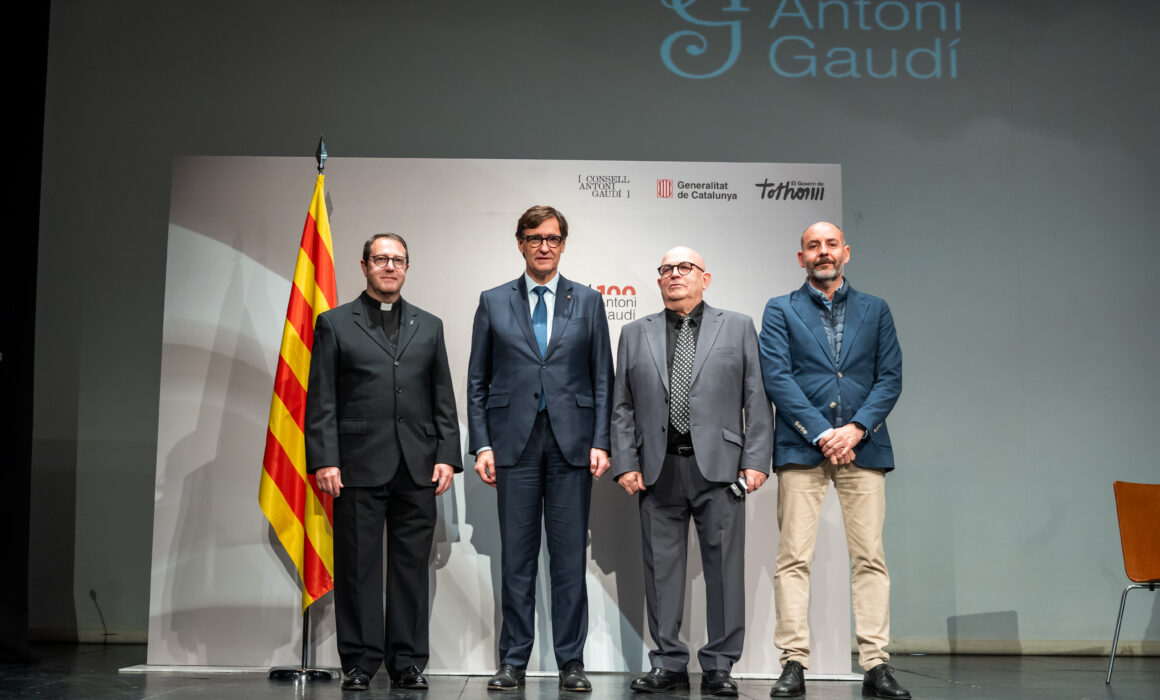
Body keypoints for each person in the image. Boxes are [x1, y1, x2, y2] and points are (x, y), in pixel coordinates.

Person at [610, 247, 773, 696]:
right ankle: (667, 663)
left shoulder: (737, 326)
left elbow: (756, 398)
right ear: (658, 280)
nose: (674, 274)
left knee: (725, 569)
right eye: (666, 269)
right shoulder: (633, 332)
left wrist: (756, 461)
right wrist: (625, 461)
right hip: (657, 469)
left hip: (720, 471)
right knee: (661, 572)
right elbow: (621, 405)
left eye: (685, 268)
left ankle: (720, 665)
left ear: (706, 278)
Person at [467, 205, 614, 692]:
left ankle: (571, 661)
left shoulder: (589, 301)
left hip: (573, 444)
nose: (544, 245)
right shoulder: (493, 301)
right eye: (534, 237)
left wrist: (601, 441)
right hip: (514, 444)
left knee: (569, 560)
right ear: (520, 243)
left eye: (552, 237)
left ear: (563, 243)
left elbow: (602, 377)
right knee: (517, 559)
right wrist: (482, 443)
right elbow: (477, 381)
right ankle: (513, 660)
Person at [758, 222, 909, 699]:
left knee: (870, 559)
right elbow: (777, 377)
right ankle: (793, 663)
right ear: (800, 257)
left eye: (830, 245)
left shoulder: (876, 309)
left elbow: (890, 377)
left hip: (864, 446)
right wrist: (824, 434)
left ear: (846, 252)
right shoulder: (780, 309)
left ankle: (876, 664)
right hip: (804, 447)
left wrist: (856, 429)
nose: (822, 252)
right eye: (812, 246)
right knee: (793, 559)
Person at [305, 233, 461, 692]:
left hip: (418, 466)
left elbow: (443, 397)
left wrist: (448, 456)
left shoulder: (429, 326)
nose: (390, 267)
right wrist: (325, 459)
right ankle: (359, 662)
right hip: (356, 465)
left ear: (407, 267)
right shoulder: (334, 324)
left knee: (411, 568)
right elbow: (322, 400)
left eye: (398, 260)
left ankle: (408, 662)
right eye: (381, 259)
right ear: (364, 265)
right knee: (358, 568)